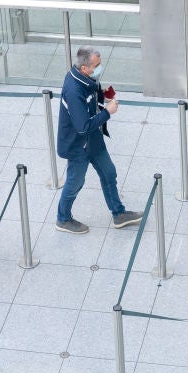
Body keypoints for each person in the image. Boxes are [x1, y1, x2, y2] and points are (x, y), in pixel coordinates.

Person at [56, 46, 142, 233]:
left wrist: (105, 95)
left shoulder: (85, 78)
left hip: (93, 140)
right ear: (85, 68)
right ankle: (63, 218)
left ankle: (119, 214)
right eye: (97, 65)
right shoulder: (73, 89)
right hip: (78, 146)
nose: (100, 68)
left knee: (109, 173)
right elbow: (82, 126)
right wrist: (107, 112)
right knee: (75, 182)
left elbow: (92, 94)